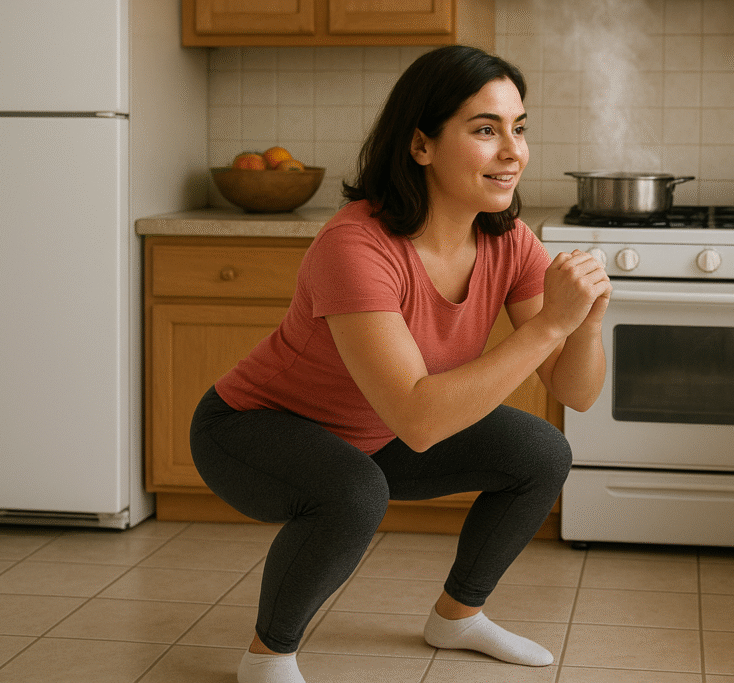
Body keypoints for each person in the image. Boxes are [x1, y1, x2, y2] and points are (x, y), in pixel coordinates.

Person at [189, 44, 611, 683]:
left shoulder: (508, 240)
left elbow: (575, 394)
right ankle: (267, 659)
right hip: (250, 429)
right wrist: (552, 322)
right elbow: (418, 418)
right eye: (485, 130)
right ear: (421, 146)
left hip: (372, 430)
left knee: (542, 453)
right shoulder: (355, 246)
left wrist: (586, 323)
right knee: (354, 492)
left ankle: (458, 617)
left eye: (518, 129)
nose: (512, 151)